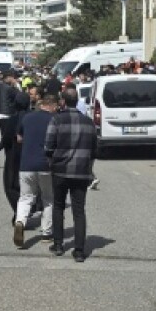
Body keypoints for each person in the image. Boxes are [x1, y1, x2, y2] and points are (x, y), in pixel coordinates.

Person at [45, 88, 97, 262]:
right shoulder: (89, 122)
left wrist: (52, 159)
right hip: (81, 171)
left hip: (60, 170)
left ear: (62, 102)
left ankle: (58, 244)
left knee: (58, 206)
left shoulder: (57, 120)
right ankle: (80, 250)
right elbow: (94, 149)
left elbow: (48, 146)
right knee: (79, 210)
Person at [13, 94, 58, 247]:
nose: (56, 110)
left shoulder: (27, 118)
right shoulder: (54, 120)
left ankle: (20, 222)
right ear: (51, 105)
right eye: (56, 107)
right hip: (46, 165)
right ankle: (47, 233)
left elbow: (19, 138)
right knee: (48, 199)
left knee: (25, 197)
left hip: (26, 164)